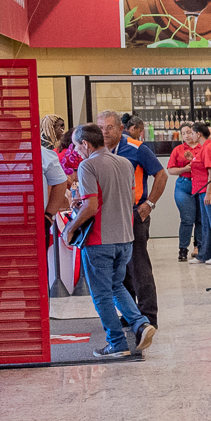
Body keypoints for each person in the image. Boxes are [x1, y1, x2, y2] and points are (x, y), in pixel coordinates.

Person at [69, 124, 154, 357]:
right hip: (125, 237)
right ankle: (140, 323)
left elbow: (92, 207)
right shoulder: (125, 163)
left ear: (85, 144)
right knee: (116, 286)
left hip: (99, 240)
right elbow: (122, 197)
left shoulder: (88, 165)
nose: (76, 151)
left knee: (102, 294)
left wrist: (70, 228)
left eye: (77, 146)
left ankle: (116, 343)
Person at [98, 110, 163, 329]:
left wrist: (149, 204)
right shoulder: (97, 152)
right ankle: (130, 313)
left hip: (135, 214)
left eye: (109, 127)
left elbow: (161, 175)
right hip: (109, 216)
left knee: (138, 266)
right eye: (100, 128)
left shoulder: (136, 148)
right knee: (120, 269)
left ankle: (148, 317)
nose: (104, 132)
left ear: (120, 128)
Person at [168, 123, 206, 261]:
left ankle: (200, 248)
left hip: (201, 184)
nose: (187, 136)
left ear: (196, 133)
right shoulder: (178, 149)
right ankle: (183, 249)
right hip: (184, 185)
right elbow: (171, 170)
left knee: (201, 219)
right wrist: (185, 169)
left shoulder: (204, 148)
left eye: (189, 132)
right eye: (183, 133)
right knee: (187, 219)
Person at [189, 121, 211, 265]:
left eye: (191, 133)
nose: (190, 136)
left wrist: (208, 193)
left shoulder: (208, 147)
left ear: (198, 133)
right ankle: (204, 254)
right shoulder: (202, 148)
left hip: (210, 192)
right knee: (206, 224)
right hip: (202, 191)